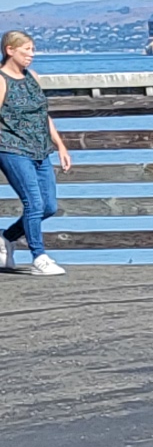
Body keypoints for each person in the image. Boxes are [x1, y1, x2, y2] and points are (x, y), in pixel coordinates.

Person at [0, 32, 72, 272]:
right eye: (26, 50)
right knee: (33, 203)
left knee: (49, 206)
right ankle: (39, 256)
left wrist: (60, 145)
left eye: (33, 49)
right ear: (10, 50)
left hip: (40, 149)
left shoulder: (32, 77)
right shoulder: (1, 80)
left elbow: (42, 115)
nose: (31, 55)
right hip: (12, 148)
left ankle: (6, 238)